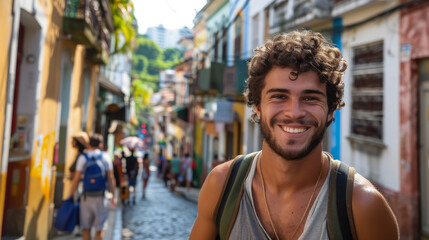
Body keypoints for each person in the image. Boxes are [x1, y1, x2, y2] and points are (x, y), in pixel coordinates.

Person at [189, 30, 399, 239]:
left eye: (310, 98)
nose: (294, 112)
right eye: (279, 96)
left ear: (331, 110)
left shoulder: (363, 206)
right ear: (257, 107)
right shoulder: (221, 187)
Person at [68, 133, 116, 240]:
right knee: (99, 229)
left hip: (86, 196)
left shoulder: (84, 158)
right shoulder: (105, 157)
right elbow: (110, 177)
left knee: (86, 228)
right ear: (100, 144)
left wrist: (70, 196)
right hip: (101, 196)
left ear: (89, 144)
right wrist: (113, 195)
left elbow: (75, 180)